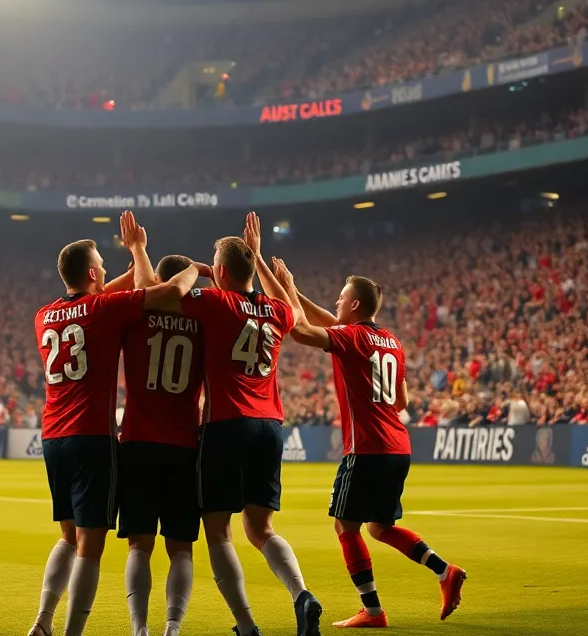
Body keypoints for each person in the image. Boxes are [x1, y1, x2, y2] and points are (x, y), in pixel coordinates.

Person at [25, 226, 198, 636]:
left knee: (67, 537)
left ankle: (43, 621)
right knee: (91, 545)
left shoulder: (43, 315)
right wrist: (176, 263)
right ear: (90, 275)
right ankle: (70, 633)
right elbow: (166, 294)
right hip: (92, 438)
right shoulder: (104, 311)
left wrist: (130, 269)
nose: (106, 272)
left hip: (53, 436)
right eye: (101, 267)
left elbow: (107, 292)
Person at [277, 260, 465, 627]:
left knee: (345, 527)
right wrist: (295, 291)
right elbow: (402, 401)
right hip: (398, 445)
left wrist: (283, 287)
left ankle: (374, 611)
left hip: (367, 447)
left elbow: (299, 331)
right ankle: (445, 572)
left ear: (355, 305)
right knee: (379, 527)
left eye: (341, 298)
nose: (336, 302)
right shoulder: (391, 342)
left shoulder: (353, 338)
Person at [176, 213, 321, 636]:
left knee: (218, 531)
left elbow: (168, 292)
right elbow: (294, 308)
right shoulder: (276, 311)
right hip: (270, 425)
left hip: (226, 423)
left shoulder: (215, 301)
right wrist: (258, 259)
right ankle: (301, 594)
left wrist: (197, 271)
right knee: (261, 529)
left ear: (220, 271)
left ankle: (246, 626)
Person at [117, 233, 210, 636]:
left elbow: (141, 287)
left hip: (137, 441)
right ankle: (173, 627)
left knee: (139, 544)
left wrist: (137, 249)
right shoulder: (205, 321)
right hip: (185, 444)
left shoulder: (136, 315)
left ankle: (140, 628)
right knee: (182, 547)